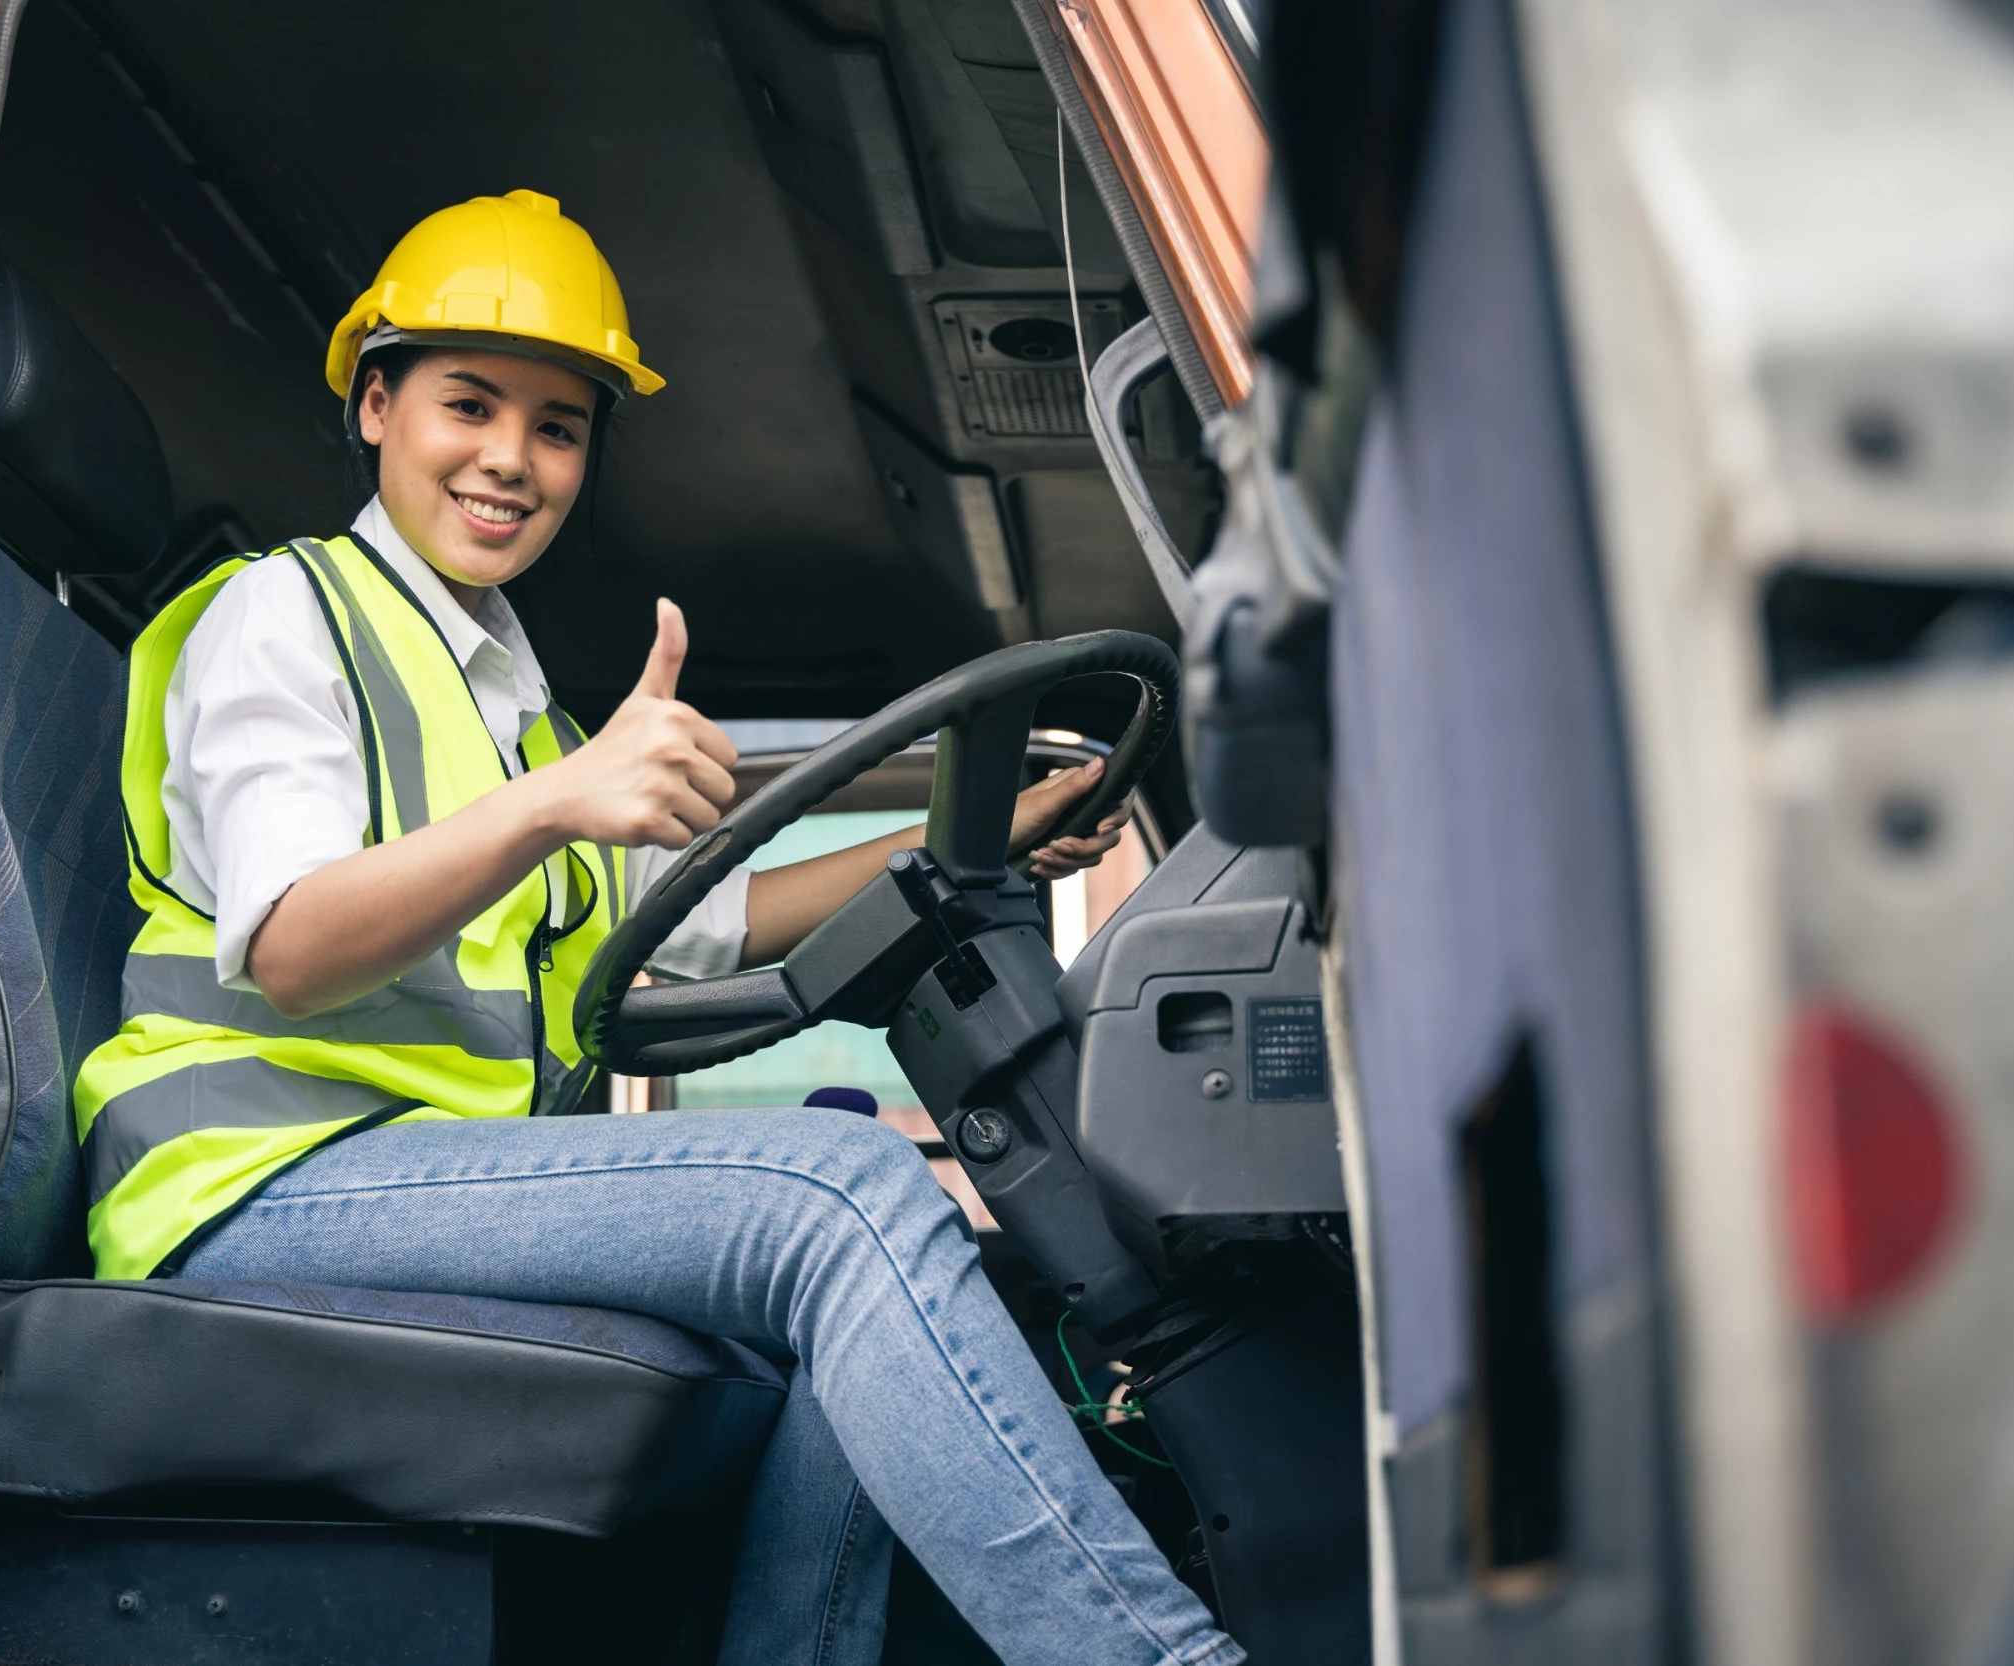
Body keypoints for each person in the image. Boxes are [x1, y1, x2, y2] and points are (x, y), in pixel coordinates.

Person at [73, 190, 1243, 1666]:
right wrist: (559, 798)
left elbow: (711, 924)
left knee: (880, 1292)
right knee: (835, 1197)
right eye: (468, 403)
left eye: (557, 427)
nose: (510, 458)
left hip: (402, 1176)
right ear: (375, 404)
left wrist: (976, 829)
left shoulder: (514, 702)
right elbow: (296, 939)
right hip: (249, 1186)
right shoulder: (283, 615)